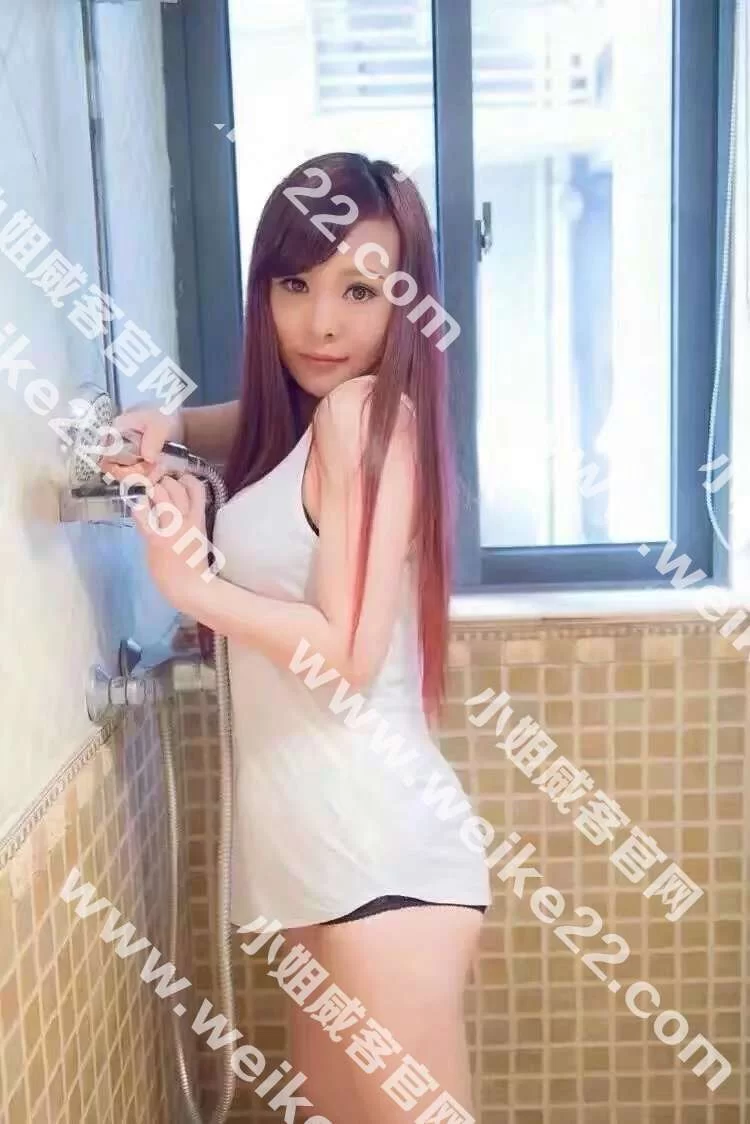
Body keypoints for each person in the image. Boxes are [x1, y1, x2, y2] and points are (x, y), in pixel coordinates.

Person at [100, 151, 492, 1123]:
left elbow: (345, 655)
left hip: (379, 866)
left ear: (405, 301)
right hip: (326, 867)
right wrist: (166, 423)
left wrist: (192, 586)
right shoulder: (315, 421)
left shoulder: (364, 414)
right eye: (294, 284)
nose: (321, 323)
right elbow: (249, 422)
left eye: (360, 290)